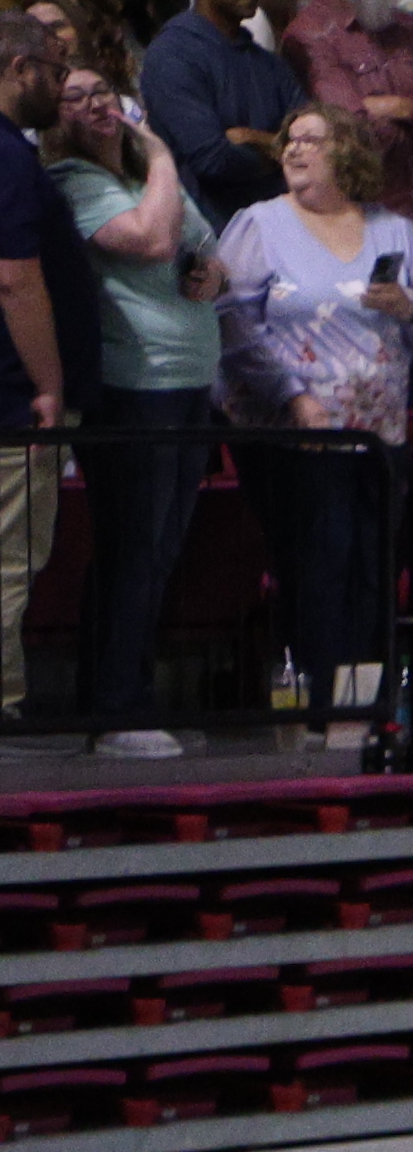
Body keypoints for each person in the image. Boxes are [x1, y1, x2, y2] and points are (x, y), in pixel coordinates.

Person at [215, 98, 413, 730]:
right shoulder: (259, 224)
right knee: (319, 565)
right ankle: (313, 708)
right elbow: (232, 325)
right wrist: (295, 396)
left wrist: (409, 308)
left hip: (377, 438)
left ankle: (361, 707)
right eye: (289, 139)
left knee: (372, 571)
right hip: (294, 437)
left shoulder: (394, 230)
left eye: (311, 139)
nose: (293, 147)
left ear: (348, 152)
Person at [46, 60, 217, 758]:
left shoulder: (143, 177)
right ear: (56, 117)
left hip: (190, 381)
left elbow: (203, 243)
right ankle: (117, 707)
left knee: (161, 549)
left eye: (102, 92)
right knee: (133, 550)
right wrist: (164, 155)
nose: (95, 104)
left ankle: (123, 696)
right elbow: (152, 240)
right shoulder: (74, 181)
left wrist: (214, 274)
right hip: (134, 387)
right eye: (75, 98)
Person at [0, 12, 89, 748]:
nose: (62, 86)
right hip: (13, 398)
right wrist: (50, 386)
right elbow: (15, 279)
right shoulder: (8, 157)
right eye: (56, 71)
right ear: (18, 68)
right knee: (8, 562)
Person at [277, 0, 413, 224]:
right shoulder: (310, 35)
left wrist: (404, 108)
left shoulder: (411, 27)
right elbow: (352, 139)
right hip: (359, 223)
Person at [137, 0, 296, 230]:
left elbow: (320, 144)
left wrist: (252, 138)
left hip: (287, 222)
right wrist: (285, 152)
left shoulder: (269, 64)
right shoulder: (171, 55)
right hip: (220, 233)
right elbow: (213, 160)